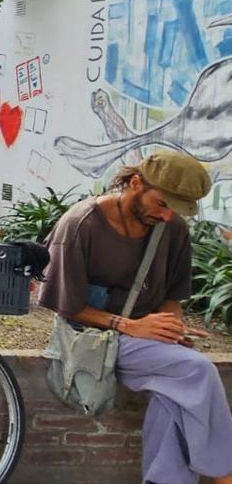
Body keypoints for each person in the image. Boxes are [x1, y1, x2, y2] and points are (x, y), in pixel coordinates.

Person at [40, 150, 232, 484]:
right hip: (91, 341)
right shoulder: (80, 224)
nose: (169, 216)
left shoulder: (171, 229)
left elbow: (172, 295)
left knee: (171, 396)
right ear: (135, 183)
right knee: (198, 371)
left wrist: (171, 328)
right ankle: (223, 474)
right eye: (162, 204)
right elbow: (66, 306)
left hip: (142, 340)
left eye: (177, 210)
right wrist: (130, 326)